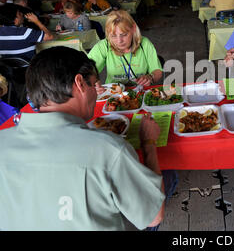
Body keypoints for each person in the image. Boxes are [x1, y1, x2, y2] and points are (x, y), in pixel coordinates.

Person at [0, 46, 166, 230]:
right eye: (94, 84)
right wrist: (149, 144)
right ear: (79, 83)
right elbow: (154, 216)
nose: (97, 92)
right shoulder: (108, 150)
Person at [88, 10, 163, 88]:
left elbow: (157, 71)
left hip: (140, 91)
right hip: (113, 93)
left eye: (124, 35)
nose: (119, 41)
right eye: (113, 36)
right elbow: (87, 69)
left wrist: (150, 77)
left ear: (133, 28)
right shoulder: (104, 46)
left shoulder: (144, 44)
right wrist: (94, 82)